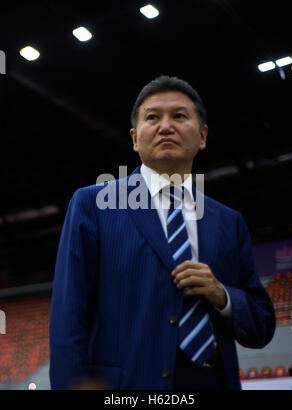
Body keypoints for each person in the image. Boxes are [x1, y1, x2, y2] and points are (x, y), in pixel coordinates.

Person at [49, 75, 276, 390]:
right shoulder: (93, 205)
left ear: (202, 135)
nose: (166, 126)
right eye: (152, 117)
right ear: (135, 138)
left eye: (179, 116)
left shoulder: (229, 221)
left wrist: (221, 294)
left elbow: (262, 325)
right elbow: (68, 316)